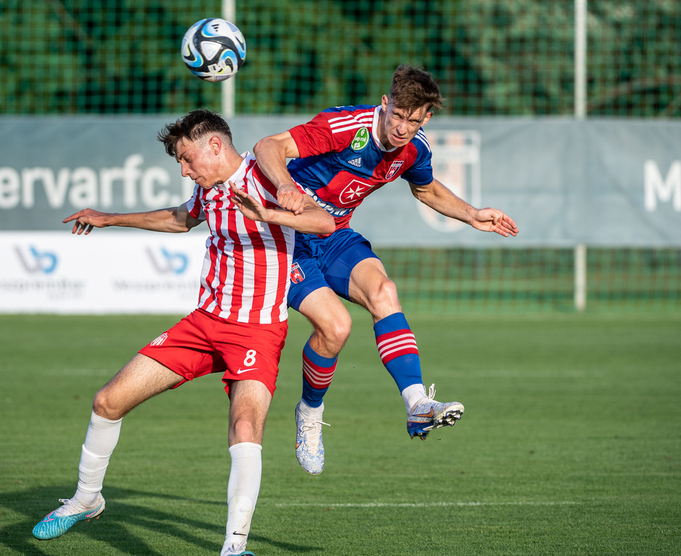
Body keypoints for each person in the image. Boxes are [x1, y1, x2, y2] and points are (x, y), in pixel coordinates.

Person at [31, 109, 334, 556]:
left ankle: (234, 547)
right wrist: (110, 219)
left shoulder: (266, 176)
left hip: (257, 331)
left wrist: (268, 213)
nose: (184, 170)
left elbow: (323, 222)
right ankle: (86, 499)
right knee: (107, 401)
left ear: (214, 145)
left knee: (245, 426)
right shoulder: (208, 189)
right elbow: (179, 218)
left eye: (187, 159)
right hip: (204, 324)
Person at [253, 64, 519, 475]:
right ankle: (309, 412)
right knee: (336, 328)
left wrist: (472, 214)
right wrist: (285, 184)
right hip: (284, 238)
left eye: (413, 121)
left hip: (333, 234)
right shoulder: (346, 127)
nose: (401, 128)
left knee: (384, 292)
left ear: (426, 118)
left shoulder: (415, 148)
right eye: (397, 115)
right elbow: (268, 146)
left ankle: (417, 405)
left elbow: (426, 188)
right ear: (385, 103)